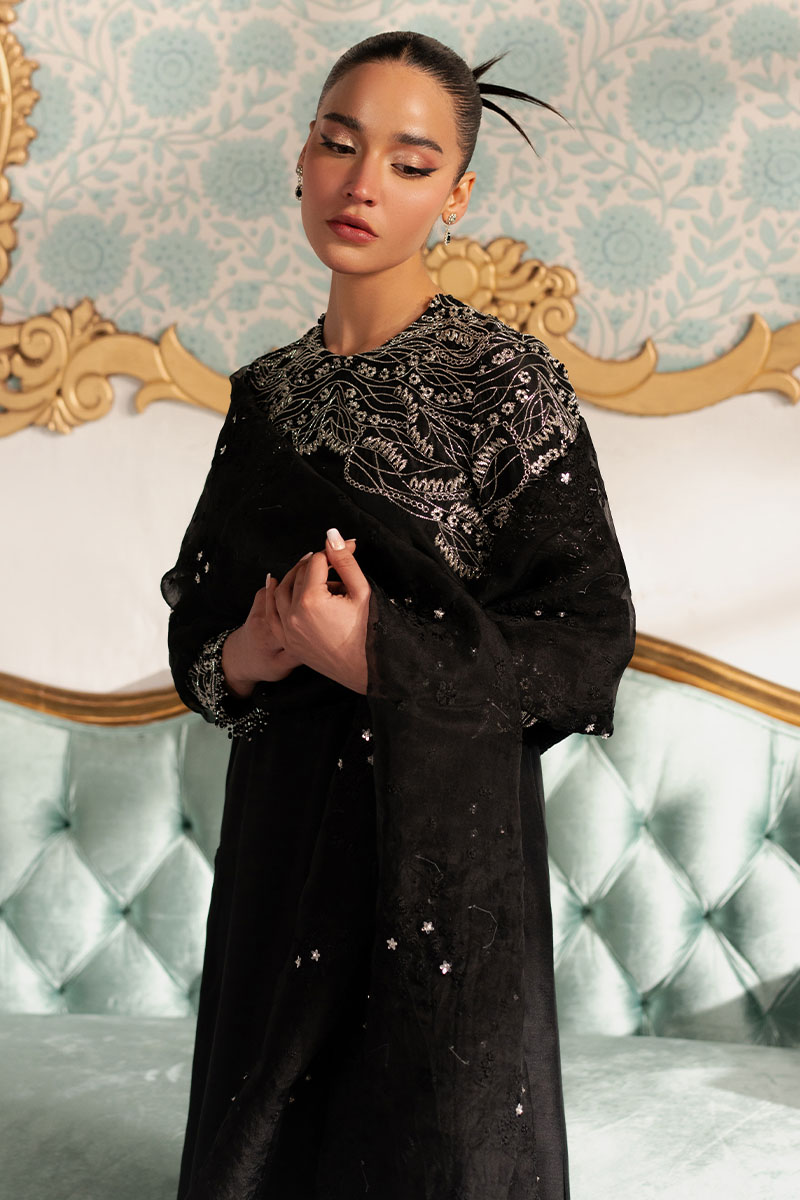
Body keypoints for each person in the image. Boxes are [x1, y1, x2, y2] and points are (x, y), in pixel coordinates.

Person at [160, 30, 635, 1200]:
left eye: (409, 163)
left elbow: (584, 647)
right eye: (338, 142)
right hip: (280, 852)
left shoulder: (505, 385)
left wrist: (376, 655)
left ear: (454, 195)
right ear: (302, 158)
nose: (361, 182)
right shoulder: (267, 395)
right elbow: (197, 638)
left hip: (437, 864)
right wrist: (256, 648)